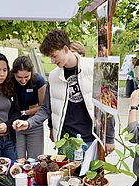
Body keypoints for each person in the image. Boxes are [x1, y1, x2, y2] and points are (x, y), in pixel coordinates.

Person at [13, 29, 115, 157]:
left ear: (66, 49)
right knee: (67, 176)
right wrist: (29, 123)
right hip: (65, 141)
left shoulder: (95, 68)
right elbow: (46, 109)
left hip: (91, 139)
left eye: (54, 56)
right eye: (50, 57)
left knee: (90, 176)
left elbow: (108, 105)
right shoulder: (54, 76)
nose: (52, 61)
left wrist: (110, 138)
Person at [11, 56, 47, 159]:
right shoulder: (9, 81)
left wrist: (25, 112)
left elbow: (43, 107)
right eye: (19, 77)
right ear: (14, 74)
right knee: (19, 159)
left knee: (34, 160)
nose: (23, 80)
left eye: (26, 76)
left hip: (34, 124)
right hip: (15, 125)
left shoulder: (39, 80)